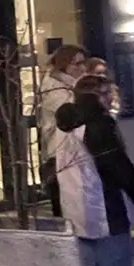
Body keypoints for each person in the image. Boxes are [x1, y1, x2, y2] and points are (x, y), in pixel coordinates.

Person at [53, 74, 134, 266]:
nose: (110, 97)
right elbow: (116, 167)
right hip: (107, 210)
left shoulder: (64, 127)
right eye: (104, 92)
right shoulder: (100, 126)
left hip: (76, 212)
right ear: (94, 96)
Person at [38, 44, 88, 216]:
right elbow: (71, 112)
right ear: (64, 65)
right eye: (77, 64)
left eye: (84, 63)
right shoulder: (54, 88)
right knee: (65, 209)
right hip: (60, 154)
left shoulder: (74, 85)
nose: (82, 68)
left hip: (75, 152)